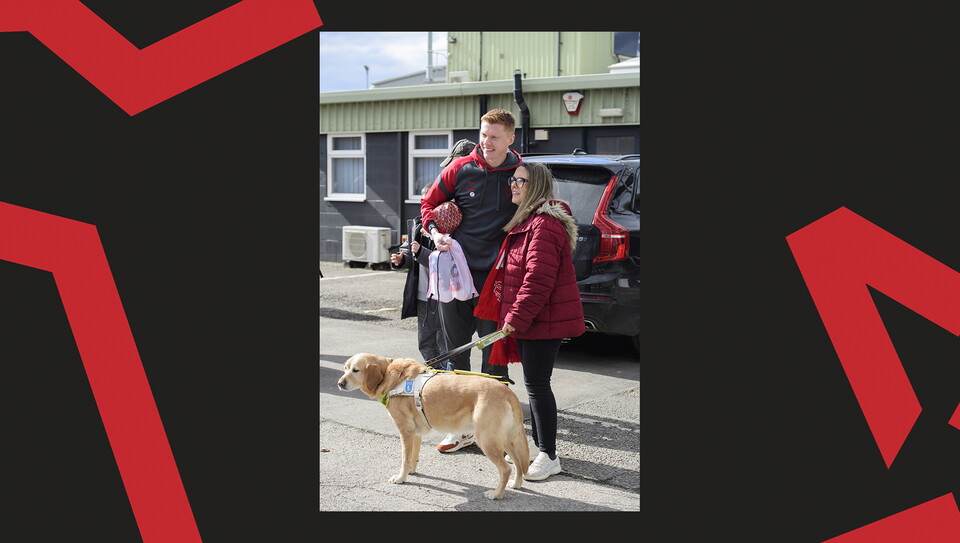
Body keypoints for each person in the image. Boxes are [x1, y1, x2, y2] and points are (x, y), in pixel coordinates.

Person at [475, 161, 585, 480]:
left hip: (541, 320)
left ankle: (549, 455)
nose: (513, 185)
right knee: (534, 384)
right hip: (533, 319)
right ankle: (541, 449)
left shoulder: (544, 225)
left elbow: (538, 280)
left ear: (535, 186)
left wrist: (515, 317)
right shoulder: (529, 221)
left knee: (538, 385)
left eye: (520, 181)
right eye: (512, 179)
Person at [420, 109, 521, 453]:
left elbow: (539, 210)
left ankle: (495, 425)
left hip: (498, 278)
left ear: (510, 138)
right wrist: (434, 232)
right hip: (456, 275)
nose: (486, 142)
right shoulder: (460, 168)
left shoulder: (521, 175)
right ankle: (461, 427)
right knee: (456, 350)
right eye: (483, 134)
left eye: (494, 136)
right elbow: (428, 204)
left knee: (494, 353)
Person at [390, 183, 443, 361]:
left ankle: (447, 377)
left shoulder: (450, 224)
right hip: (422, 294)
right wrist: (401, 259)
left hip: (443, 295)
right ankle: (433, 371)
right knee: (425, 340)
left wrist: (421, 251)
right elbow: (407, 250)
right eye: (423, 201)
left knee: (444, 341)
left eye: (429, 201)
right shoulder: (416, 224)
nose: (425, 206)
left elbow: (446, 261)